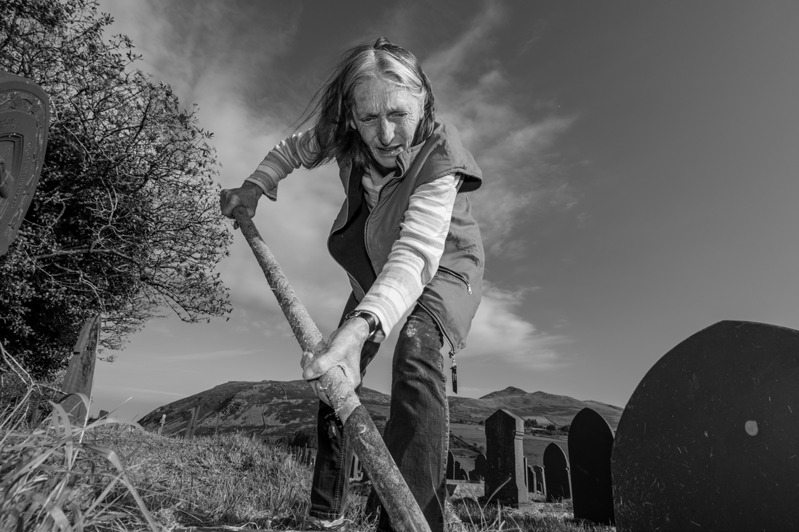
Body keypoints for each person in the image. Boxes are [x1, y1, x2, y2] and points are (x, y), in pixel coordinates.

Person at [220, 37, 484, 532]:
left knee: (417, 357)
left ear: (424, 99)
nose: (384, 134)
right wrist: (255, 187)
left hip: (443, 266)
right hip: (373, 274)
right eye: (368, 119)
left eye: (398, 114)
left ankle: (408, 524)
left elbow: (416, 254)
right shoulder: (342, 134)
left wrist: (362, 325)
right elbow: (290, 150)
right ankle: (326, 515)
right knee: (334, 376)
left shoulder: (441, 159)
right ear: (350, 114)